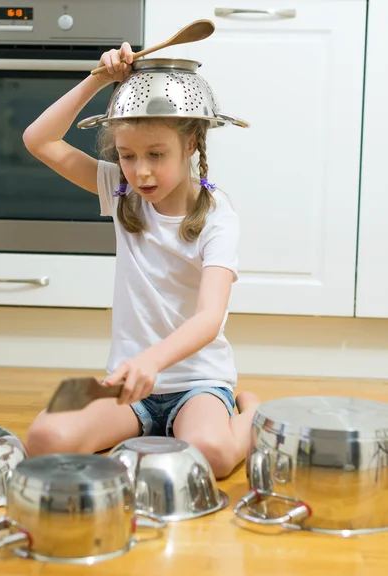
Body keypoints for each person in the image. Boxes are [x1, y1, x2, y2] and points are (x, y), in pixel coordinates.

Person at [22, 42, 260, 478]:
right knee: (43, 441)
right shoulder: (119, 189)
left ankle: (251, 412)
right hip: (129, 382)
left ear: (191, 144)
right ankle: (156, 427)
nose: (141, 172)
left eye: (156, 154)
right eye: (127, 156)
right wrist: (98, 79)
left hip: (197, 383)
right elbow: (38, 139)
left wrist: (152, 360)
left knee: (215, 456)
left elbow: (210, 318)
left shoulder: (218, 216)